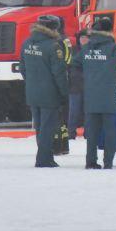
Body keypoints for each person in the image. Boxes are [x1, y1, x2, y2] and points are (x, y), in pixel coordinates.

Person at [77, 19, 116, 169]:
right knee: (109, 132)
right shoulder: (112, 49)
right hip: (107, 96)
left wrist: (88, 76)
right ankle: (108, 162)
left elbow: (75, 64)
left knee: (92, 133)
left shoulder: (86, 48)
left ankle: (90, 162)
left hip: (90, 96)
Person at [20, 14, 68, 168]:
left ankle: (45, 156)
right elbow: (59, 73)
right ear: (53, 28)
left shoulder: (27, 43)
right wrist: (64, 92)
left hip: (32, 92)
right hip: (50, 93)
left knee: (40, 127)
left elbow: (22, 68)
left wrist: (32, 83)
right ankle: (43, 159)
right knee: (48, 127)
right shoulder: (53, 46)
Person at [67, 30, 89, 140]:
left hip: (89, 86)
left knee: (88, 112)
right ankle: (71, 133)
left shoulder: (93, 51)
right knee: (73, 111)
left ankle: (88, 133)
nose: (84, 40)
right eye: (82, 38)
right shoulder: (73, 51)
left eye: (86, 38)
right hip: (75, 86)